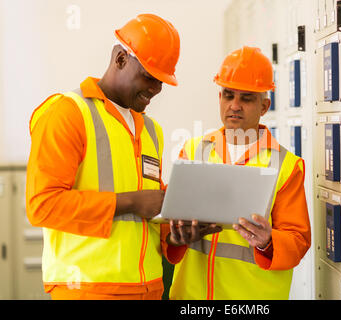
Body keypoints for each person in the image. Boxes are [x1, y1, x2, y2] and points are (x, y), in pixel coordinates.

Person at [26, 13, 220, 300]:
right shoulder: (68, 114)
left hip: (148, 288)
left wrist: (176, 235)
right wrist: (130, 201)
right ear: (120, 59)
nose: (156, 89)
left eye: (162, 81)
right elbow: (42, 205)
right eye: (149, 77)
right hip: (89, 290)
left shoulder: (151, 130)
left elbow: (148, 218)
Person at [168, 46, 311, 300]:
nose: (234, 105)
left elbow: (297, 241)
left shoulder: (285, 165)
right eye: (228, 95)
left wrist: (268, 242)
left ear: (264, 106)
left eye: (246, 98)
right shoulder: (192, 151)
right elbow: (168, 227)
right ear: (219, 98)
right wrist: (175, 236)